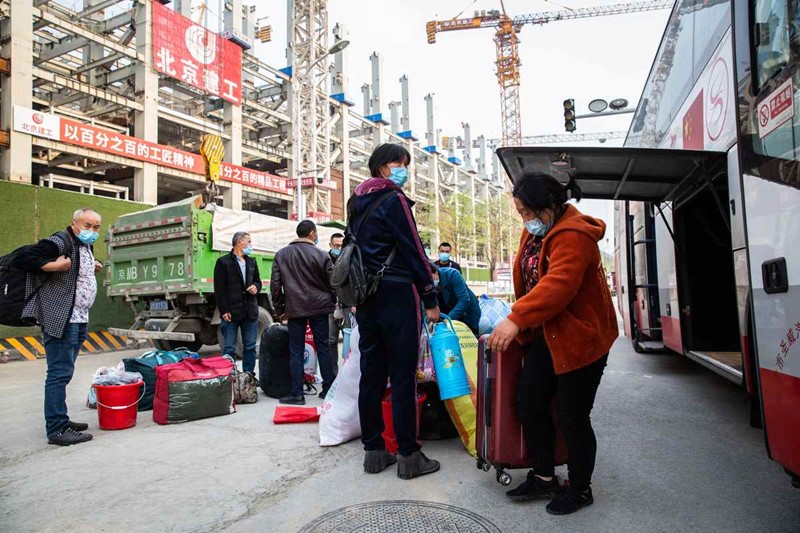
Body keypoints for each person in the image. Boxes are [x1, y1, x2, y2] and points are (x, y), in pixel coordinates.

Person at [486, 172, 618, 515]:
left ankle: (580, 488)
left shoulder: (575, 235)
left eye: (528, 213)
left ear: (551, 207)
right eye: (520, 214)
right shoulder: (535, 232)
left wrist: (516, 318)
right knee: (529, 402)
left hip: (581, 339)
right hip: (547, 335)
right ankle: (544, 476)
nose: (525, 220)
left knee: (572, 415)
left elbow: (557, 285)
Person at [350, 143, 441, 480]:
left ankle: (374, 452)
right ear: (382, 167)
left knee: (371, 375)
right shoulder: (394, 199)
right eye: (398, 163)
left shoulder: (356, 199)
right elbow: (412, 248)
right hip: (399, 294)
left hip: (367, 295)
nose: (403, 169)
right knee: (402, 376)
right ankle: (408, 455)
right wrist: (430, 297)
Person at [20, 208, 103, 446]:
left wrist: (93, 263)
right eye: (88, 225)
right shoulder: (60, 240)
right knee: (58, 373)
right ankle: (57, 428)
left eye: (96, 227)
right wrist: (54, 267)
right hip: (61, 317)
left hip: (78, 317)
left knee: (64, 372)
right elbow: (26, 258)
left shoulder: (83, 245)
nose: (92, 231)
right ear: (74, 224)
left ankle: (62, 419)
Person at [271, 220, 336, 405]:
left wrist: (280, 309)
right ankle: (328, 389)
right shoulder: (322, 255)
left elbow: (275, 286)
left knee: (296, 351)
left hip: (295, 308)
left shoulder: (282, 255)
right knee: (323, 348)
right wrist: (331, 301)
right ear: (312, 234)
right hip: (320, 307)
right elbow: (333, 283)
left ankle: (296, 394)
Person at [213, 232, 262, 375]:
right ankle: (230, 377)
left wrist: (256, 287)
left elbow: (258, 281)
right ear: (239, 243)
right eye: (249, 241)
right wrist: (224, 311)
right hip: (231, 312)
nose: (250, 245)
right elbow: (219, 289)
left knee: (250, 347)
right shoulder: (223, 262)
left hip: (250, 311)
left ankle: (248, 376)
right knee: (229, 348)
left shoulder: (252, 262)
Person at [430, 263, 480, 336]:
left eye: (430, 278)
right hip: (447, 316)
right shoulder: (426, 285)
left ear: (436, 272)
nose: (429, 282)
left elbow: (464, 299)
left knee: (469, 340)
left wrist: (448, 320)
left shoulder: (452, 274)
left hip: (467, 314)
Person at [328, 232, 347, 373]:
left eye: (342, 245)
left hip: (347, 306)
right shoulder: (324, 259)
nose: (339, 248)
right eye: (336, 245)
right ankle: (333, 373)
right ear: (330, 245)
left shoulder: (349, 259)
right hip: (329, 306)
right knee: (331, 341)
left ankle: (348, 373)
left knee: (349, 341)